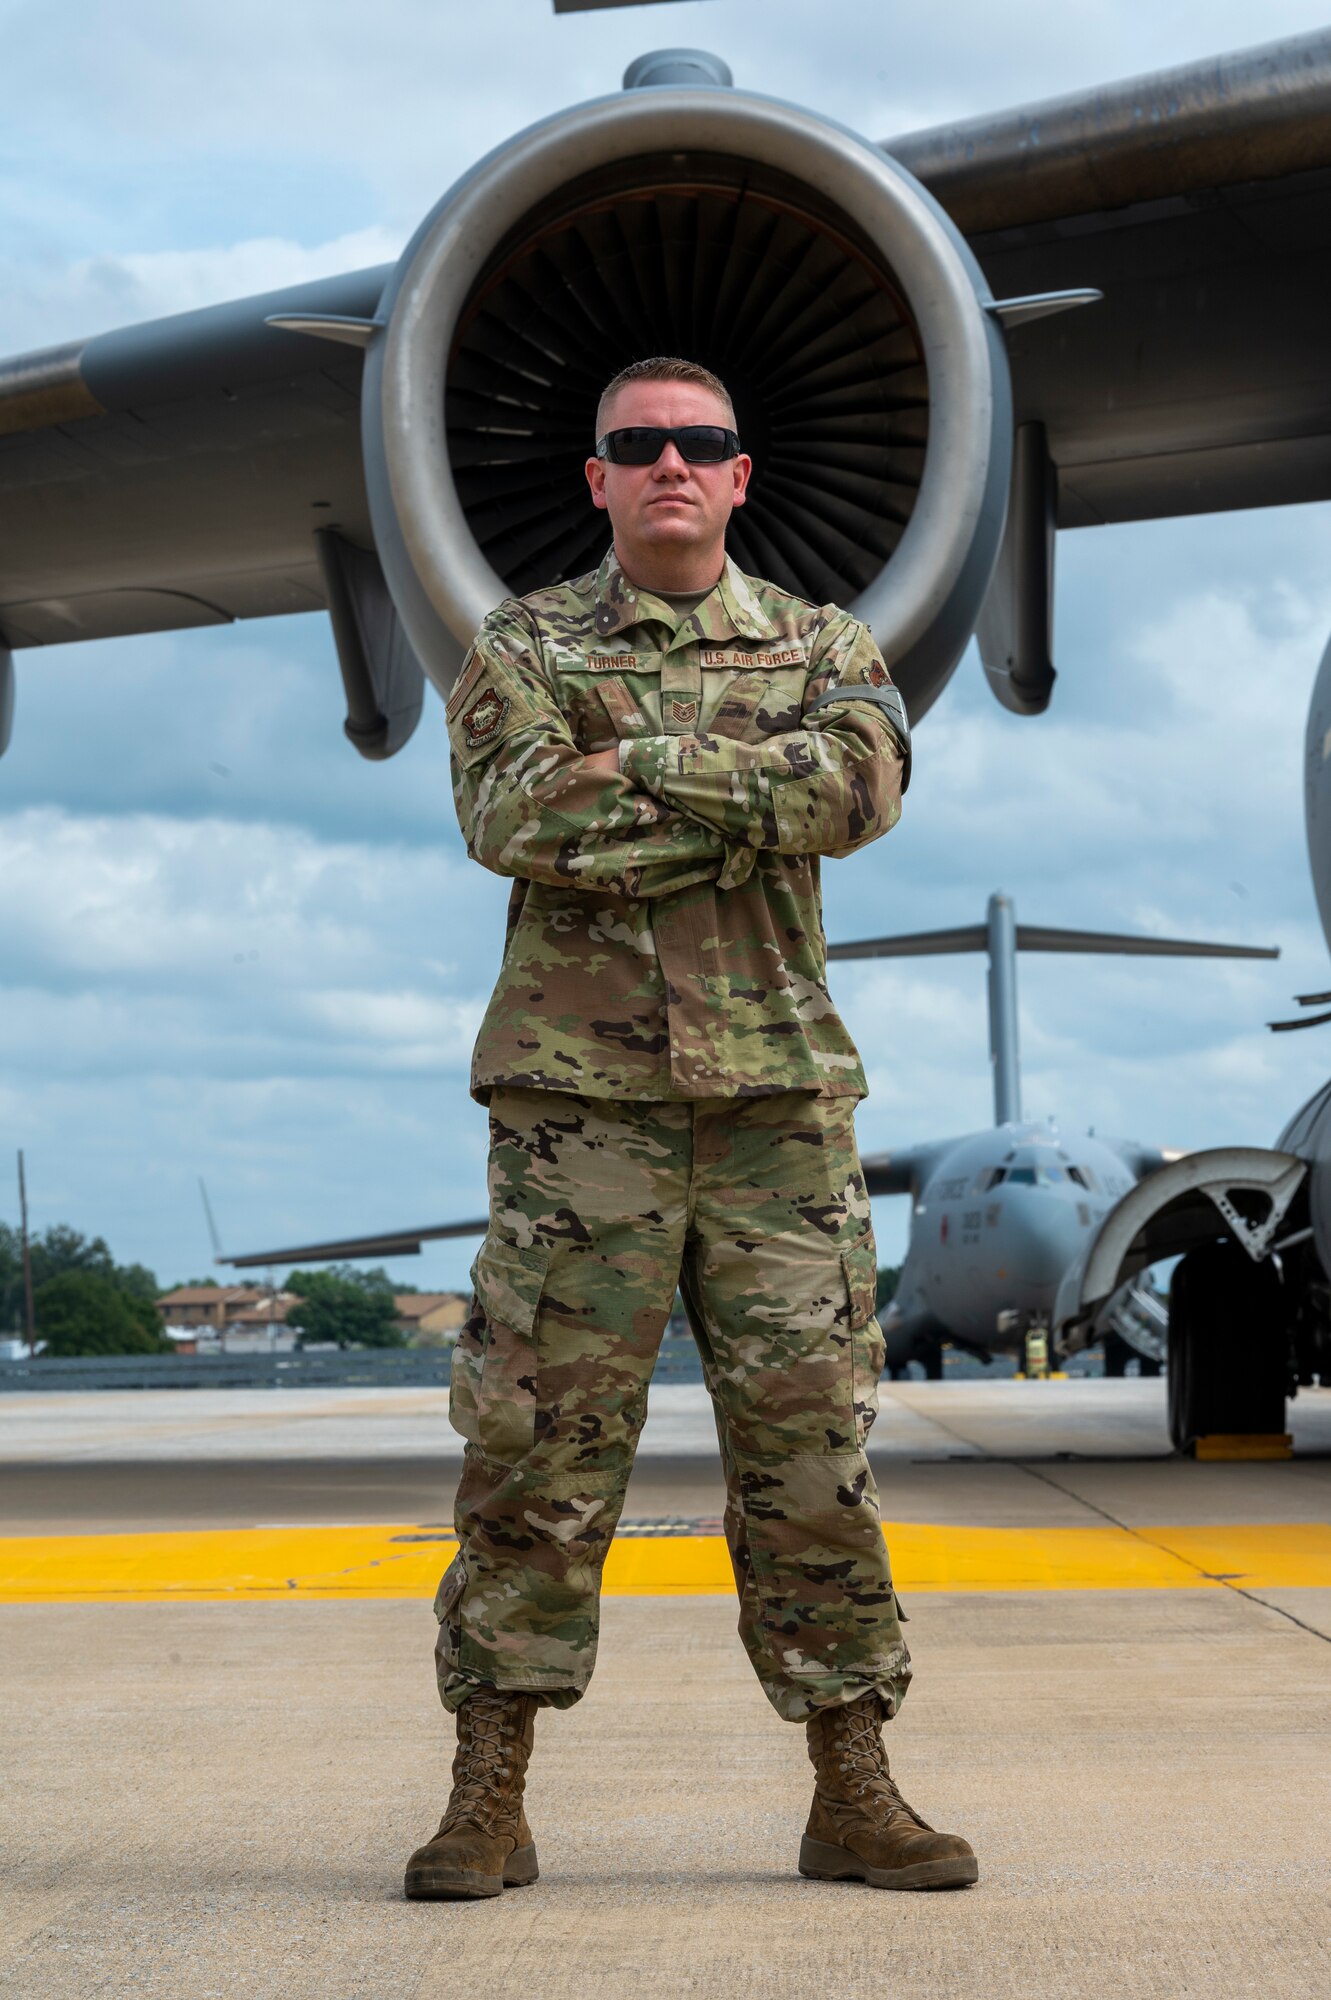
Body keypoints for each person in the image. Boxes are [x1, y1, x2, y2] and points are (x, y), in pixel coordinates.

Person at [404, 357, 976, 1900]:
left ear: (740, 473)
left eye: (700, 443)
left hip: (776, 1113)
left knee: (812, 1459)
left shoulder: (822, 641)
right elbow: (513, 819)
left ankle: (854, 1787)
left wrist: (641, 760)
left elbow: (855, 791)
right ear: (596, 477)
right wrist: (745, 793)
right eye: (639, 444)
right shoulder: (524, 642)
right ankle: (488, 1796)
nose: (671, 463)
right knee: (535, 1458)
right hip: (580, 1115)